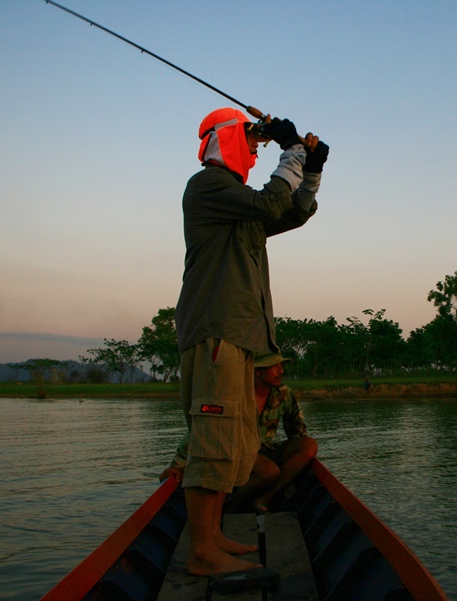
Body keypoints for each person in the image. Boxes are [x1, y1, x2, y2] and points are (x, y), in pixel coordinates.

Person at [172, 107, 328, 576]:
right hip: (217, 330)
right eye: (251, 142)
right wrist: (293, 150)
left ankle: (214, 535)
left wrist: (312, 170)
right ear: (226, 139)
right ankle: (202, 551)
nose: (255, 152)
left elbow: (291, 211)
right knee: (215, 438)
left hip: (241, 336)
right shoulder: (208, 186)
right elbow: (269, 203)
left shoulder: (238, 204)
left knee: (236, 444)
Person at [227, 352, 317, 513]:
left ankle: (266, 498)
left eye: (281, 366)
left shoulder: (283, 393)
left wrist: (302, 460)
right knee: (269, 472)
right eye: (274, 366)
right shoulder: (234, 394)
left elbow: (297, 430)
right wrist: (179, 464)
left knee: (309, 445)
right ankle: (232, 510)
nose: (281, 371)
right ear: (257, 371)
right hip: (236, 453)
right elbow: (204, 431)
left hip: (264, 450)